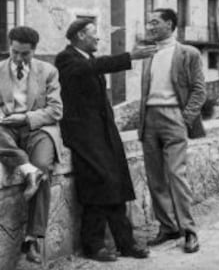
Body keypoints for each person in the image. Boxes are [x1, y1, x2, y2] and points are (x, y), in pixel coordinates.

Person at [55, 18, 156, 262]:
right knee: (100, 183)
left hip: (102, 131)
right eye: (94, 33)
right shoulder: (67, 59)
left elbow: (94, 69)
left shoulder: (88, 59)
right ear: (80, 35)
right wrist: (129, 56)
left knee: (116, 184)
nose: (98, 37)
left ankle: (126, 243)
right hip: (83, 134)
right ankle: (94, 245)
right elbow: (90, 68)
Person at [0, 26, 63, 265]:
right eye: (15, 52)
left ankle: (32, 237)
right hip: (9, 130)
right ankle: (25, 166)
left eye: (25, 54)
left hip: (38, 129)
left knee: (42, 165)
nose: (19, 58)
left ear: (34, 50)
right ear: (10, 47)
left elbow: (56, 111)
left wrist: (25, 118)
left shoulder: (49, 72)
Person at [139, 8, 206, 254]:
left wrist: (184, 118)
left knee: (177, 175)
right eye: (148, 22)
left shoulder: (189, 53)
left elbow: (199, 90)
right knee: (155, 177)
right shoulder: (148, 54)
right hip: (149, 119)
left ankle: (189, 231)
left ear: (169, 24)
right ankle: (167, 227)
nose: (150, 26)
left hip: (174, 117)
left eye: (155, 22)